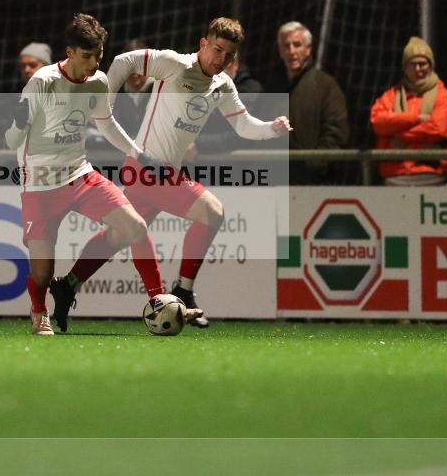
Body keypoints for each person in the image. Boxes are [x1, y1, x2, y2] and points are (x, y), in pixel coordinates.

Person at [49, 17, 291, 329]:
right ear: (203, 44)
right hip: (146, 169)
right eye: (217, 50)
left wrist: (271, 129)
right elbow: (125, 60)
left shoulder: (222, 84)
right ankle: (182, 290)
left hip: (160, 172)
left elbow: (243, 126)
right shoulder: (176, 65)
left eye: (229, 55)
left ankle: (67, 284)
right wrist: (104, 104)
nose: (221, 59)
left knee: (119, 235)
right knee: (212, 212)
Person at [5, 14, 196, 335]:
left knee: (135, 226)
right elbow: (10, 141)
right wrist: (18, 122)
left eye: (99, 56)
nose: (94, 63)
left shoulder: (99, 82)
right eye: (87, 56)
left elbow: (105, 122)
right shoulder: (42, 81)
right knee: (41, 274)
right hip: (40, 186)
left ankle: (159, 299)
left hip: (80, 176)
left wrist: (137, 153)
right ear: (69, 52)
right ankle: (39, 312)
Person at [370, 37, 447, 185]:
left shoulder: (443, 95)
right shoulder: (391, 95)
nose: (418, 69)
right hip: (395, 174)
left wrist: (396, 132)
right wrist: (415, 119)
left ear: (430, 66)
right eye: (413, 64)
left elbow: (439, 129)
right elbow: (377, 122)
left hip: (432, 174)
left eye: (422, 64)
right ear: (405, 68)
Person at [271, 21, 349, 184]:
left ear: (308, 49)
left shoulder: (325, 85)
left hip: (314, 184)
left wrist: (314, 165)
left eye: (297, 45)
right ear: (280, 51)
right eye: (286, 46)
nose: (292, 51)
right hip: (277, 181)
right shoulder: (272, 87)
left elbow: (336, 132)